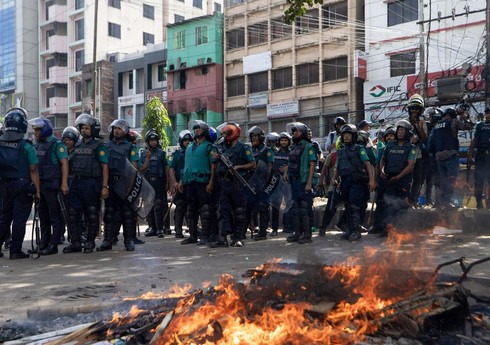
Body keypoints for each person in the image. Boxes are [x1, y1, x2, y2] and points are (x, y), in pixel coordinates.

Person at [63, 114, 109, 254]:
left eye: (87, 128)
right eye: (82, 128)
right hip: (76, 183)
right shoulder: (76, 144)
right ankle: (76, 243)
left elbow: (105, 166)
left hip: (91, 184)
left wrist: (104, 187)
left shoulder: (99, 146)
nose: (84, 131)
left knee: (92, 215)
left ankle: (90, 242)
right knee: (72, 214)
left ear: (93, 129)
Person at [0, 108, 41, 259]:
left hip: (4, 185)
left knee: (5, 217)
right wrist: (37, 190)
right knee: (19, 218)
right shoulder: (27, 146)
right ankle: (15, 250)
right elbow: (33, 169)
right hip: (23, 185)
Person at [28, 117, 69, 255]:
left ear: (45, 129)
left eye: (38, 130)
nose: (36, 133)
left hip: (52, 185)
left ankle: (54, 244)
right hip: (41, 185)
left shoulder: (57, 144)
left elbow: (64, 164)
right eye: (35, 130)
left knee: (54, 216)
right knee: (43, 216)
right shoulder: (37, 144)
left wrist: (64, 184)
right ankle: (43, 243)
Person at [98, 119, 141, 252]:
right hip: (111, 182)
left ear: (126, 131)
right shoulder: (106, 146)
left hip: (125, 184)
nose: (116, 131)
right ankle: (108, 240)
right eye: (115, 128)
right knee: (109, 213)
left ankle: (129, 240)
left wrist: (131, 185)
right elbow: (102, 165)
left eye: (119, 128)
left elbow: (134, 168)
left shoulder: (131, 147)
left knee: (127, 214)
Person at [212, 122, 255, 247]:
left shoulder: (243, 148)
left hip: (238, 184)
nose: (224, 136)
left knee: (239, 211)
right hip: (225, 183)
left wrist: (239, 167)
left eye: (226, 133)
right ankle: (223, 238)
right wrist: (217, 158)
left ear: (232, 134)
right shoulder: (224, 148)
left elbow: (253, 164)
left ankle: (237, 238)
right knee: (223, 210)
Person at [331, 125, 376, 242]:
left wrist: (371, 180)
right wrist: (334, 178)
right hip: (345, 182)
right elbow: (338, 167)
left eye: (348, 135)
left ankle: (356, 232)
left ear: (354, 136)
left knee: (354, 206)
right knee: (348, 206)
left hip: (357, 182)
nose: (346, 137)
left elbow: (367, 164)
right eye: (344, 135)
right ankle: (350, 230)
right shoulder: (340, 152)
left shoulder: (359, 149)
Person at [179, 120, 217, 245]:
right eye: (195, 129)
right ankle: (193, 236)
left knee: (206, 210)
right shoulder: (189, 147)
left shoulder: (209, 147)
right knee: (191, 210)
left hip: (203, 182)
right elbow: (187, 165)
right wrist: (181, 181)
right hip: (189, 182)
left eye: (199, 129)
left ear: (205, 132)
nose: (196, 131)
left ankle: (206, 236)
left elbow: (213, 166)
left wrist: (211, 182)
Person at [429, 108, 474, 209]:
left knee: (443, 181)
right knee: (451, 180)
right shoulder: (453, 122)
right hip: (451, 155)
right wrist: (464, 116)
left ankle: (441, 203)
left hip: (438, 157)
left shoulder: (436, 126)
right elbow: (470, 126)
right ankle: (446, 202)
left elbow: (431, 143)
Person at [378, 120, 417, 237]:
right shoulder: (390, 145)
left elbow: (411, 165)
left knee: (401, 205)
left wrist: (399, 177)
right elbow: (383, 159)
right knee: (389, 204)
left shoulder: (411, 147)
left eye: (403, 131)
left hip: (403, 180)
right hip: (390, 178)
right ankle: (387, 230)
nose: (400, 133)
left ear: (407, 133)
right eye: (399, 130)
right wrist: (381, 171)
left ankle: (398, 230)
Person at [285, 122, 317, 244]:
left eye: (297, 131)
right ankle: (297, 233)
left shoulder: (309, 146)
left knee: (305, 208)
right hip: (294, 182)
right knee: (296, 208)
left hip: (304, 182)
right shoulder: (293, 148)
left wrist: (309, 182)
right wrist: (286, 173)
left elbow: (312, 164)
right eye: (293, 132)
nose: (295, 133)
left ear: (303, 133)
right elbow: (291, 163)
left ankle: (307, 235)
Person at [246, 126, 274, 241]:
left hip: (262, 182)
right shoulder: (250, 150)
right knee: (248, 207)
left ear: (261, 137)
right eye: (252, 136)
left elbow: (270, 168)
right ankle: (244, 231)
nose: (253, 138)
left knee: (262, 208)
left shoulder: (267, 151)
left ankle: (262, 233)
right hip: (250, 182)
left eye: (255, 136)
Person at [140, 129, 169, 238]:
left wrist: (168, 182)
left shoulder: (162, 153)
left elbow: (166, 168)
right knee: (149, 206)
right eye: (151, 140)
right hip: (147, 182)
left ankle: (160, 229)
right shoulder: (143, 154)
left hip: (159, 182)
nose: (153, 142)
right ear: (148, 141)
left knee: (158, 205)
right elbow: (140, 169)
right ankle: (152, 227)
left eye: (155, 140)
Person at [168, 130, 193, 238]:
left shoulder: (193, 153)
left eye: (189, 140)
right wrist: (174, 183)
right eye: (185, 140)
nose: (187, 142)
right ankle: (178, 229)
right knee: (180, 207)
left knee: (191, 207)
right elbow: (171, 169)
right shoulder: (177, 154)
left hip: (191, 183)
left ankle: (192, 228)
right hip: (179, 184)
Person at [406, 94, 428, 207]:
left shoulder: (422, 122)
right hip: (405, 156)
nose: (415, 110)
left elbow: (424, 139)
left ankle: (413, 201)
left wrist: (417, 125)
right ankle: (405, 201)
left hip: (417, 156)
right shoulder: (403, 122)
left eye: (417, 108)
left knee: (418, 179)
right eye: (413, 108)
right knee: (406, 179)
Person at [468, 107, 490, 209]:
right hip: (480, 156)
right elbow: (475, 140)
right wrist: (470, 155)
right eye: (487, 113)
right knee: (479, 180)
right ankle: (479, 203)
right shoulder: (480, 125)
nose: (488, 115)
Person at [271, 131, 291, 236]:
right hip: (276, 182)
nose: (283, 142)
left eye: (285, 140)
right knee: (275, 206)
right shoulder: (275, 153)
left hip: (287, 182)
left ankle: (287, 227)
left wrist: (288, 169)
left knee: (288, 204)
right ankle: (274, 229)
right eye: (282, 140)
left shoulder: (291, 153)